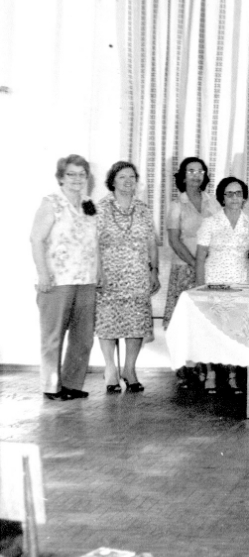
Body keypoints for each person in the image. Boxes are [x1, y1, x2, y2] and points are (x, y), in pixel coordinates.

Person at [29, 154, 99, 401]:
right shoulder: (51, 203)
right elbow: (36, 239)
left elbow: (94, 244)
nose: (77, 179)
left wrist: (98, 274)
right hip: (57, 280)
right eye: (71, 174)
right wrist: (43, 274)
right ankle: (51, 387)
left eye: (82, 174)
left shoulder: (90, 204)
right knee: (53, 336)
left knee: (83, 337)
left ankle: (71, 384)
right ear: (60, 177)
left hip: (86, 280)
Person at [95, 161, 159, 394]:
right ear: (112, 181)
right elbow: (94, 243)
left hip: (138, 276)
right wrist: (98, 272)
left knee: (136, 323)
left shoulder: (143, 209)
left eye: (132, 176)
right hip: (109, 276)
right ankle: (110, 369)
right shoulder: (100, 208)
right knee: (108, 323)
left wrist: (154, 270)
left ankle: (129, 370)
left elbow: (152, 242)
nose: (128, 181)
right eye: (122, 177)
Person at [195, 176, 249, 394]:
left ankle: (232, 375)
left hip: (242, 279)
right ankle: (211, 373)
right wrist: (199, 287)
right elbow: (200, 257)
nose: (234, 198)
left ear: (244, 197)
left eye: (238, 193)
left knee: (236, 329)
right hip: (215, 279)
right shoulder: (210, 222)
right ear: (222, 197)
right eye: (229, 193)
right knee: (213, 327)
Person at [163, 157, 220, 329]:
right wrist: (195, 264)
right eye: (191, 171)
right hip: (184, 267)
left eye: (200, 171)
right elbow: (174, 240)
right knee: (182, 321)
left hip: (210, 267)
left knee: (206, 320)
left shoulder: (213, 202)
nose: (196, 175)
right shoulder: (176, 205)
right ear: (183, 177)